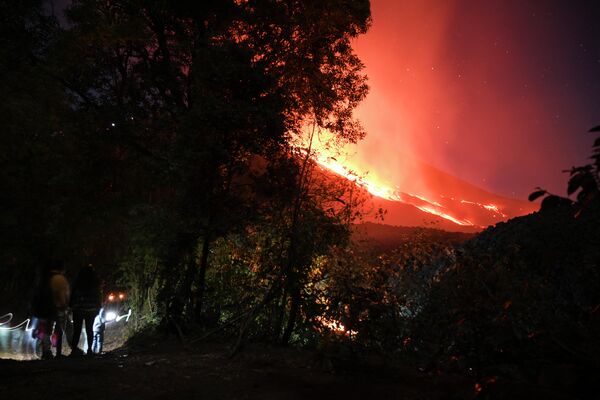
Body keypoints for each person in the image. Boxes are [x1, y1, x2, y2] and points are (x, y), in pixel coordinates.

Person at [31, 258, 70, 359]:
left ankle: (46, 351)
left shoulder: (43, 278)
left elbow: (36, 293)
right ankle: (58, 352)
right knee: (59, 330)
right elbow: (63, 295)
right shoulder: (60, 279)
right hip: (56, 308)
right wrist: (65, 306)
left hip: (43, 308)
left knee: (46, 331)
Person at [70, 263, 101, 356]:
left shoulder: (78, 281)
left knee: (77, 330)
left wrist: (71, 305)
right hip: (91, 309)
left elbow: (72, 294)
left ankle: (74, 350)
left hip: (78, 309)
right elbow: (98, 296)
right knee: (89, 329)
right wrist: (97, 308)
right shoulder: (94, 281)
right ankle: (89, 350)